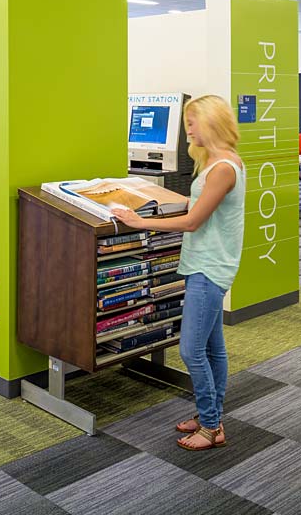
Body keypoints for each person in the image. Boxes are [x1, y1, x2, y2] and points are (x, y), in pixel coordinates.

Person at [112, 95, 245, 451]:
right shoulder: (218, 161)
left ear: (211, 122)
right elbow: (199, 204)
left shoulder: (223, 167)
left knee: (191, 350)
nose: (188, 131)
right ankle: (210, 416)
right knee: (212, 347)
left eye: (191, 123)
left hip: (209, 267)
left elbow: (192, 221)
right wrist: (154, 196)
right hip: (204, 262)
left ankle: (211, 426)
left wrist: (139, 221)